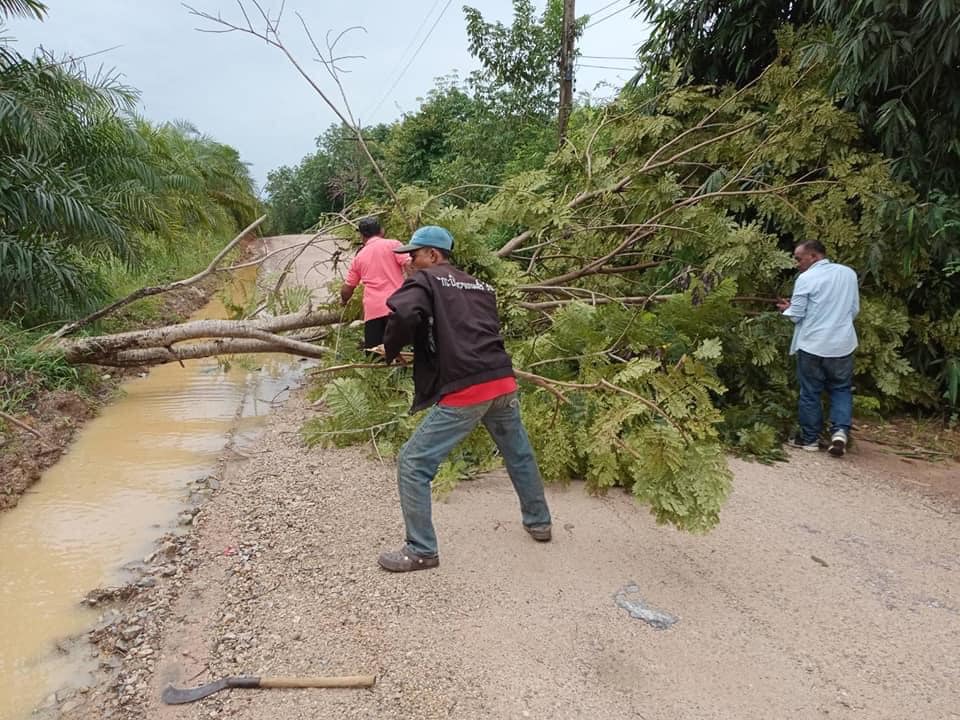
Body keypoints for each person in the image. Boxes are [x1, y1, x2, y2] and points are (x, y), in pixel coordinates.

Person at [375, 225, 552, 572]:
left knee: (413, 462)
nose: (408, 262)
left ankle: (421, 549)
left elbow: (405, 315)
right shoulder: (480, 285)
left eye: (413, 255)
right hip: (501, 379)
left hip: (468, 388)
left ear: (434, 255)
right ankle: (539, 522)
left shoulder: (426, 280)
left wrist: (391, 348)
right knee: (518, 453)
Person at [777, 240, 860, 457]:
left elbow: (797, 314)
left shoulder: (806, 279)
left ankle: (810, 439)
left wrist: (788, 310)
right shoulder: (848, 274)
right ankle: (840, 432)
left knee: (810, 392)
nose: (796, 263)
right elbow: (853, 309)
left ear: (813, 256)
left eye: (798, 258)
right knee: (841, 389)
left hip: (812, 344)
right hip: (842, 344)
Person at [340, 217, 410, 348]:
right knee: (404, 355)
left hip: (373, 311)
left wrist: (343, 301)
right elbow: (409, 265)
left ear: (362, 236)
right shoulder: (393, 245)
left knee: (375, 357)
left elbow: (347, 289)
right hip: (397, 306)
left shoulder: (359, 257)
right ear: (381, 231)